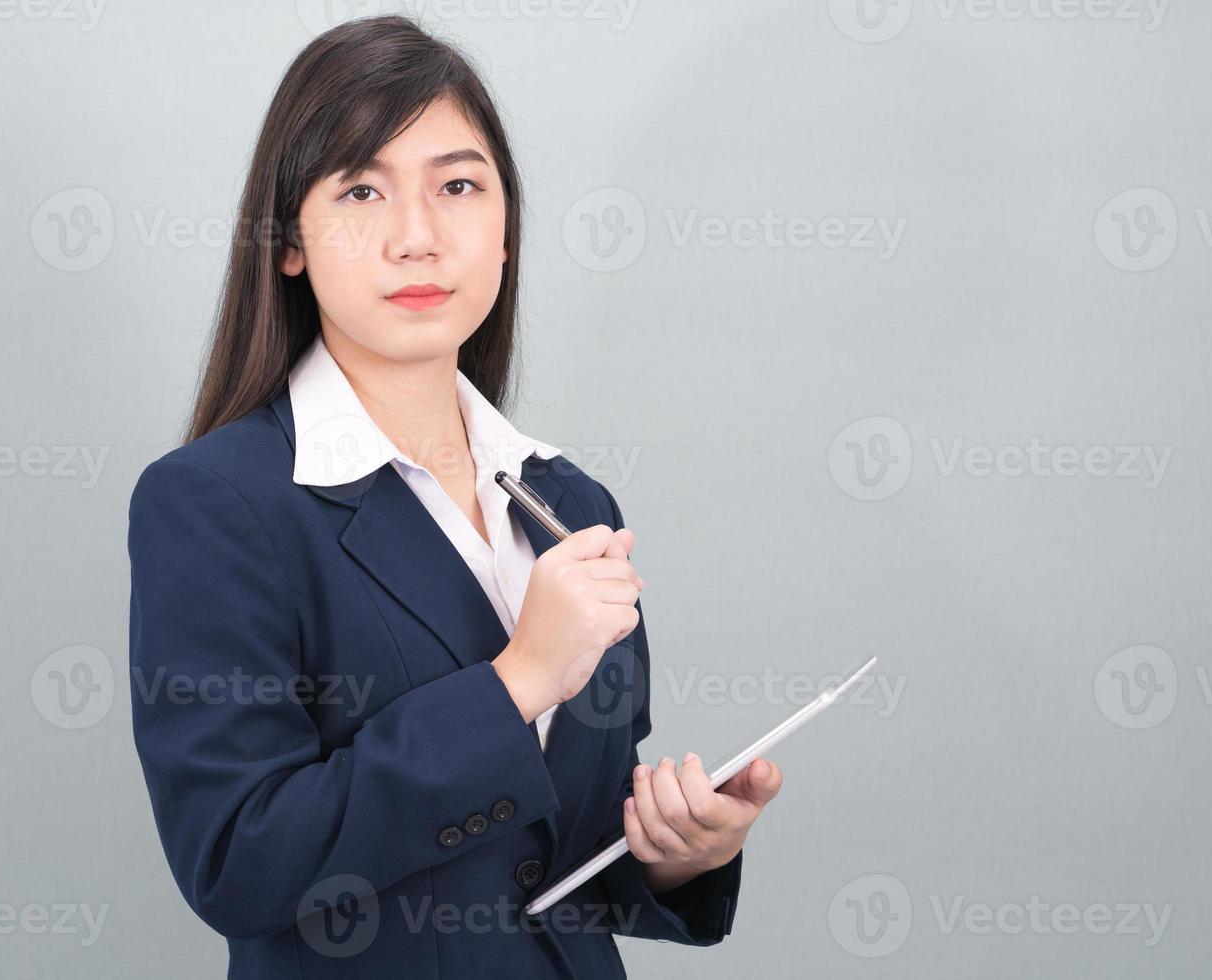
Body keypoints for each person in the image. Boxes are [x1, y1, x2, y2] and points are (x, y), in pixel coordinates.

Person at [126, 15, 783, 979]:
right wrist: (519, 679)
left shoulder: (569, 499)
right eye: (360, 189)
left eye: (459, 186)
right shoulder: (215, 506)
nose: (418, 237)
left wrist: (679, 856)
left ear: (506, 230)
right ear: (289, 242)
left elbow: (550, 853)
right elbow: (238, 862)